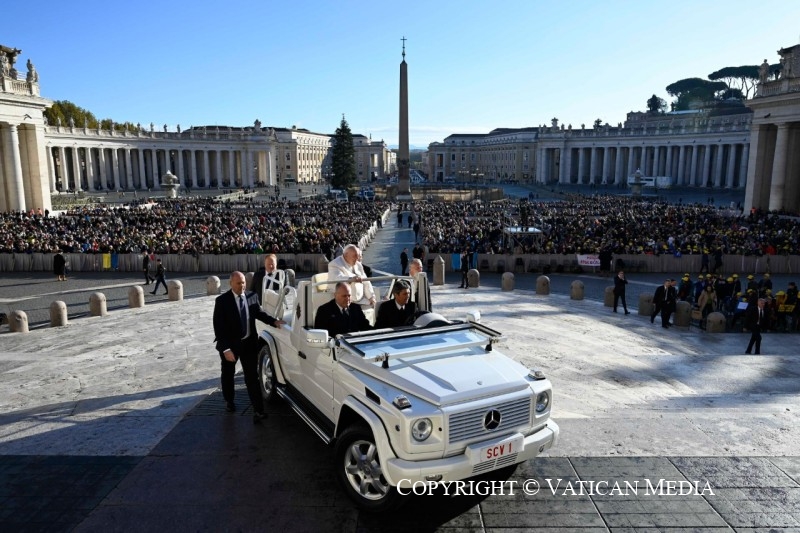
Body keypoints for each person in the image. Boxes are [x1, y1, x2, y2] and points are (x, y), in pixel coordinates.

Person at [213, 271, 285, 422]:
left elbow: (259, 313)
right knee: (228, 375)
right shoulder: (222, 301)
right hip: (230, 346)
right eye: (238, 283)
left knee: (252, 377)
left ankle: (258, 411)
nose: (242, 286)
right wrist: (226, 349)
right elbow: (219, 328)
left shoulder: (252, 296)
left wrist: (274, 321)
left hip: (249, 344)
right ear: (231, 283)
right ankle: (229, 401)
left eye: (244, 282)